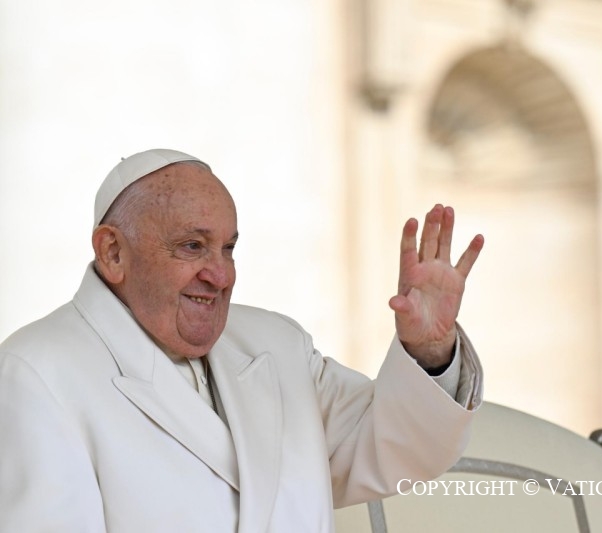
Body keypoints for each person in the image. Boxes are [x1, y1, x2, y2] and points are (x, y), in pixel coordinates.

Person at [0, 149, 485, 532]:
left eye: (228, 248)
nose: (221, 274)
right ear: (113, 253)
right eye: (192, 246)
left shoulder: (277, 345)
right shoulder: (37, 373)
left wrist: (427, 350)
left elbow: (394, 452)